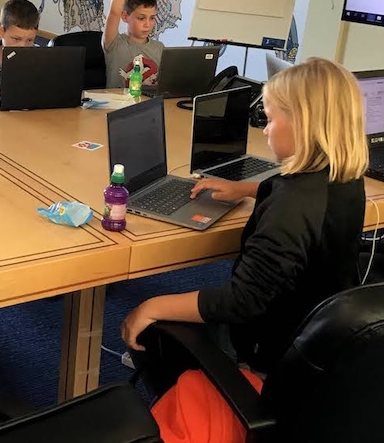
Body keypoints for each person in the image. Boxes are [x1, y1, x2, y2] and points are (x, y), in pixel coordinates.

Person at [122, 57, 368, 399]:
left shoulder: (290, 208)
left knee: (150, 326)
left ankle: (213, 392)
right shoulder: (343, 178)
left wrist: (151, 306)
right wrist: (247, 188)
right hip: (320, 336)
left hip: (270, 354)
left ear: (303, 123)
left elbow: (242, 301)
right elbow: (296, 196)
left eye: (269, 119)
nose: (265, 130)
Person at [102, 0, 165, 89]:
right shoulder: (115, 44)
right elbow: (114, 12)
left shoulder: (160, 48)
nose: (147, 24)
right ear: (125, 17)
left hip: (148, 108)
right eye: (141, 18)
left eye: (152, 18)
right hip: (116, 108)